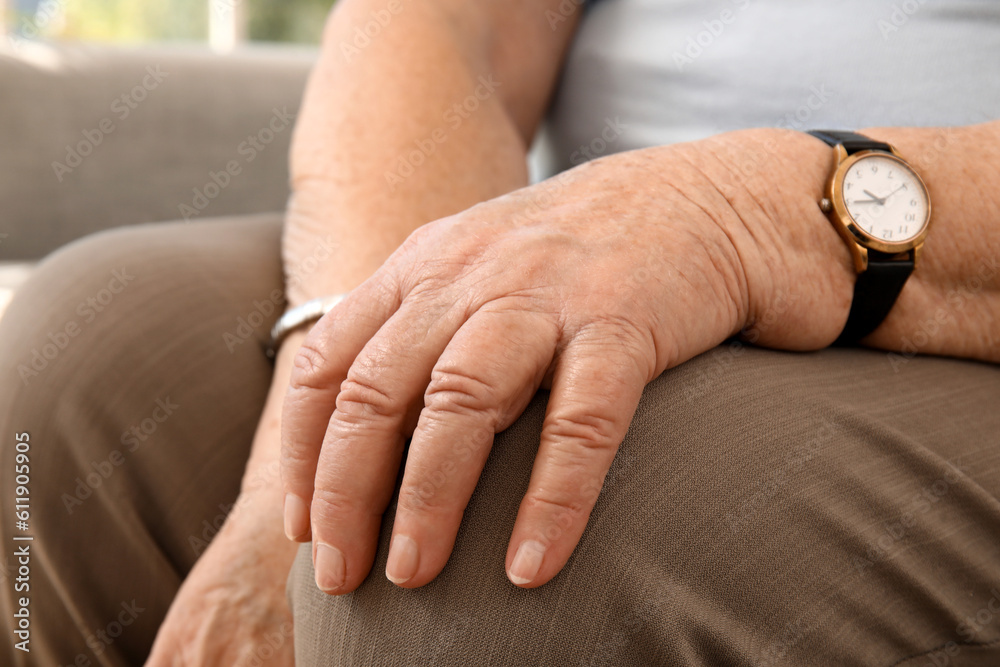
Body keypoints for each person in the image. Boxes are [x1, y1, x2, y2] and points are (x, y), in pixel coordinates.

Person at [2, 0, 999, 665]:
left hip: (954, 286)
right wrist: (292, 476)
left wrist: (750, 217)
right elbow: (442, 25)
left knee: (489, 536)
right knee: (82, 367)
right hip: (599, 235)